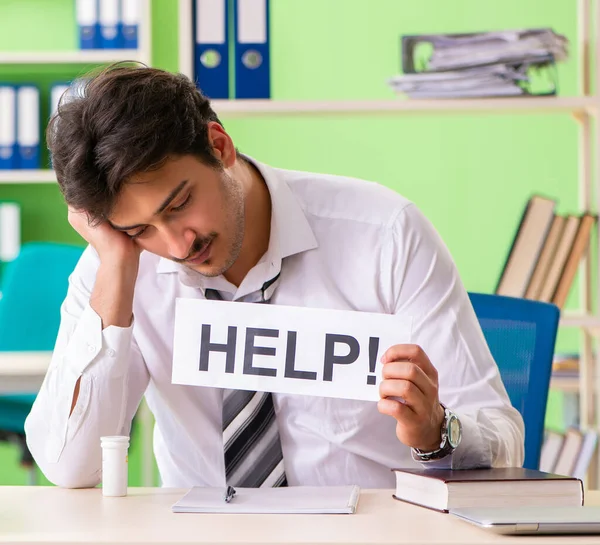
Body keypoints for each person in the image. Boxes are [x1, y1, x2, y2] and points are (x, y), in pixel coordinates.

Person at [25, 64, 524, 489]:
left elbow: (504, 437)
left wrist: (437, 433)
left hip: (368, 531)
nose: (177, 245)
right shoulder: (121, 265)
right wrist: (115, 269)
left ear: (219, 146)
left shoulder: (384, 233)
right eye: (139, 228)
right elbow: (70, 466)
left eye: (179, 204)